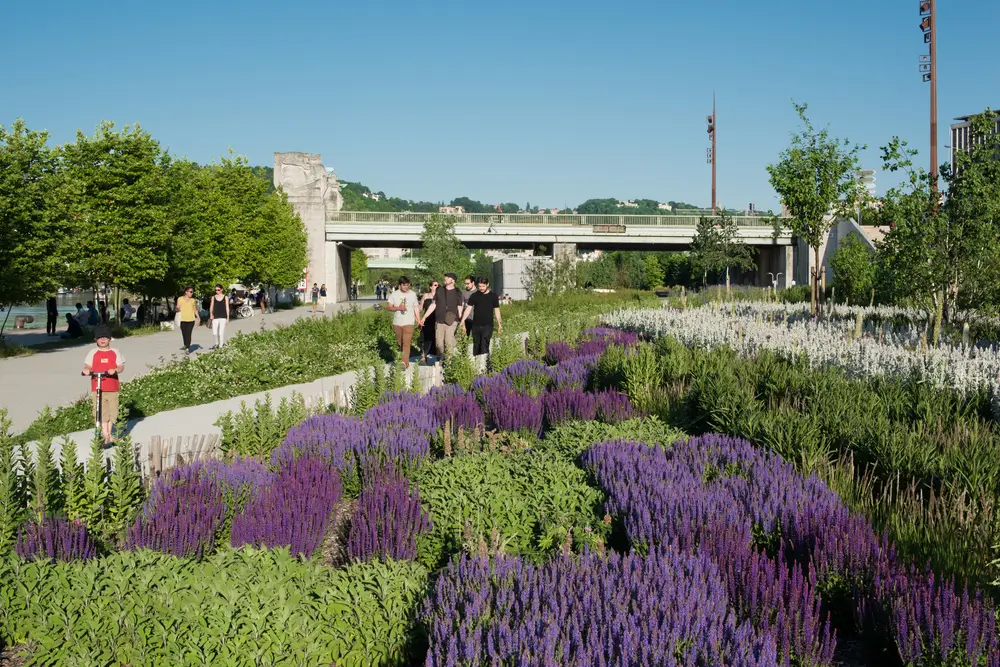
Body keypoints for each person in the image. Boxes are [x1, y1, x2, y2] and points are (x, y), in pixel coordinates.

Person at [81, 325, 125, 445]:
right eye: (100, 337)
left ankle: (109, 433)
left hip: (112, 387)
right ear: (96, 340)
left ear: (110, 339)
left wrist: (115, 369)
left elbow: (121, 366)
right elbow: (88, 365)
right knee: (101, 412)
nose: (103, 339)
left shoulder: (115, 352)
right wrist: (86, 369)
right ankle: (105, 434)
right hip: (98, 387)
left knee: (112, 412)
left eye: (105, 337)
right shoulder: (93, 352)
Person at [421, 273, 462, 357]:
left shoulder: (457, 292)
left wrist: (462, 321)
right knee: (439, 344)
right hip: (439, 321)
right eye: (445, 277)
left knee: (448, 342)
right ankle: (440, 359)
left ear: (453, 280)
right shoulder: (439, 290)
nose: (445, 278)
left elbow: (460, 307)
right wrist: (424, 317)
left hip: (452, 321)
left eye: (447, 277)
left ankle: (448, 362)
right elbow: (433, 304)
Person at [460, 276, 503, 357]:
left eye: (483, 286)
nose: (481, 288)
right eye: (479, 286)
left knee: (484, 346)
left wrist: (500, 324)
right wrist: (462, 321)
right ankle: (478, 364)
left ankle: (485, 363)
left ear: (487, 284)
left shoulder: (493, 296)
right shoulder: (474, 296)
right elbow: (468, 309)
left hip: (488, 325)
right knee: (476, 347)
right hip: (476, 325)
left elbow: (497, 311)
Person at [387, 276, 420, 369]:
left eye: (407, 285)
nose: (406, 287)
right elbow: (389, 307)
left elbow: (416, 307)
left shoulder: (413, 294)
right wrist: (398, 308)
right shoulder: (394, 294)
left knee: (406, 342)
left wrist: (419, 320)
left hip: (409, 322)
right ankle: (404, 359)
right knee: (400, 343)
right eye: (404, 285)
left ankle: (404, 363)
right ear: (399, 285)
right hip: (397, 322)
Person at [418, 281, 439, 364]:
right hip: (427, 319)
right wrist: (418, 318)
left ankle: (438, 358)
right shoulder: (426, 295)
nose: (437, 286)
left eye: (438, 285)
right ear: (430, 287)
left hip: (437, 320)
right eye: (435, 285)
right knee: (425, 338)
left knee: (436, 338)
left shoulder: (440, 295)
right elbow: (420, 308)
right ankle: (423, 356)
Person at [176, 286, 200, 354]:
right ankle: (186, 345)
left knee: (188, 334)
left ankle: (187, 348)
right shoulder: (180, 299)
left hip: (191, 320)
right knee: (184, 334)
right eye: (190, 292)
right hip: (182, 320)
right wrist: (177, 308)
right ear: (186, 292)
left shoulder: (193, 300)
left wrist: (198, 318)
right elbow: (177, 307)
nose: (192, 293)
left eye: (192, 292)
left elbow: (195, 310)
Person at [208, 283, 230, 350]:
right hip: (215, 317)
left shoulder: (225, 297)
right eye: (216, 290)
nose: (217, 291)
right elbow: (211, 306)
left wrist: (228, 317)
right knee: (214, 333)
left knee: (221, 333)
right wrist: (211, 314)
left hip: (223, 317)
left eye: (218, 290)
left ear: (222, 290)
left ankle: (221, 346)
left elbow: (227, 307)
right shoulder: (213, 297)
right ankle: (216, 343)